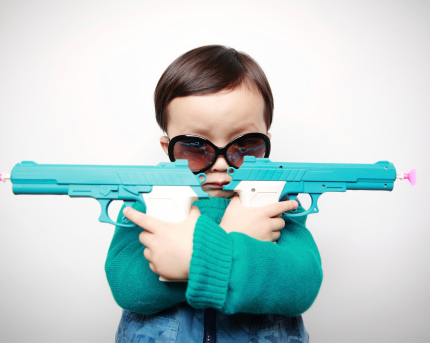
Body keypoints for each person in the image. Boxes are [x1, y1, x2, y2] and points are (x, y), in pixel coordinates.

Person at [105, 45, 323, 342]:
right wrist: (224, 243)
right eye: (195, 147)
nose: (221, 164)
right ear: (168, 149)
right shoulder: (149, 202)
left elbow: (301, 285)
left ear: (266, 144)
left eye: (245, 146)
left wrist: (195, 259)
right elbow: (126, 285)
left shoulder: (277, 205)